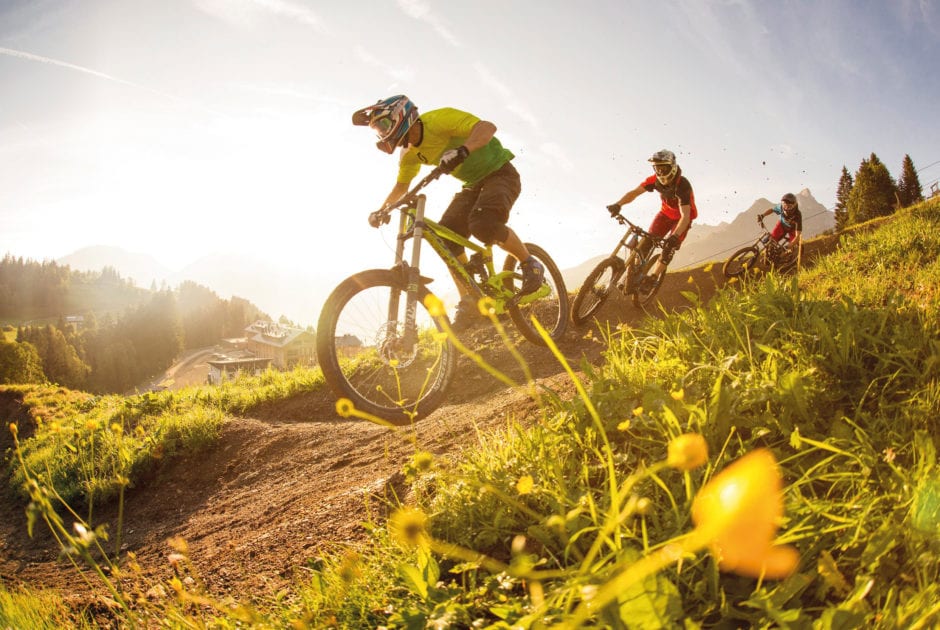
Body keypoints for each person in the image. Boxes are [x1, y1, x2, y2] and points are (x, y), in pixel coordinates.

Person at [352, 95, 544, 330]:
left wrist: (465, 149)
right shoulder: (410, 153)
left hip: (500, 173)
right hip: (472, 184)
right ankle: (471, 298)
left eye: (382, 125)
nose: (382, 134)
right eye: (377, 131)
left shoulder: (438, 120)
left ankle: (529, 263)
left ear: (399, 114)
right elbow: (402, 187)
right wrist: (382, 210)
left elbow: (487, 127)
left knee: (482, 224)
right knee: (445, 236)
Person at [605, 149, 697, 285]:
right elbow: (635, 192)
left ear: (672, 167)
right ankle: (634, 274)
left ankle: (653, 277)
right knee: (645, 243)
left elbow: (685, 216)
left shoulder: (682, 185)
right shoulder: (654, 180)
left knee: (668, 249)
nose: (659, 172)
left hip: (682, 219)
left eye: (663, 168)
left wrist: (675, 236)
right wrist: (618, 204)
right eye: (656, 168)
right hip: (665, 214)